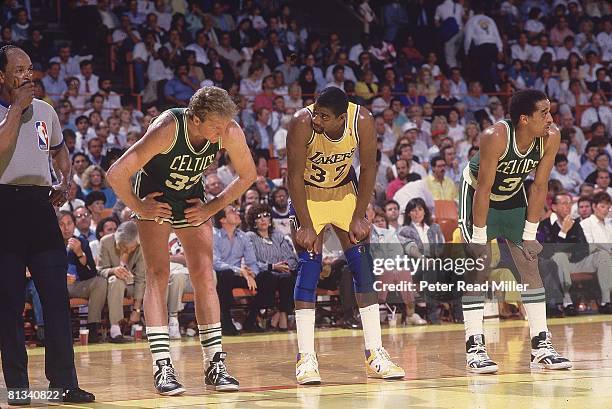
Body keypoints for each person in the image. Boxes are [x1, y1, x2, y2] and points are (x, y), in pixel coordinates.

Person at [107, 86, 256, 395]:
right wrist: (138, 206)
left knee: (205, 274)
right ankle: (162, 365)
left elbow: (248, 175)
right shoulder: (167, 128)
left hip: (191, 197)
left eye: (224, 126)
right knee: (158, 275)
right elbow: (116, 173)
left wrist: (212, 207)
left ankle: (215, 363)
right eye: (215, 127)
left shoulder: (227, 128)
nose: (221, 134)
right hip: (156, 197)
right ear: (196, 118)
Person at [286, 86, 404, 385]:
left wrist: (359, 214)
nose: (317, 119)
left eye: (324, 117)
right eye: (316, 111)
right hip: (308, 194)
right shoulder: (302, 123)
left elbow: (369, 168)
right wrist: (305, 224)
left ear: (341, 117)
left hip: (343, 192)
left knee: (364, 269)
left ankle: (375, 353)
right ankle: (306, 357)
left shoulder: (361, 120)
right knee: (310, 267)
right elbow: (293, 177)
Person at [0, 45, 94, 404]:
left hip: (40, 207)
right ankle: (19, 387)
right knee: (8, 303)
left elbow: (60, 149)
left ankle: (64, 383)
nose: (28, 75)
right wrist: (16, 109)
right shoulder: (15, 111)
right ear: (2, 76)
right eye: (19, 70)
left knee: (56, 298)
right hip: (4, 205)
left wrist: (65, 178)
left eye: (30, 68)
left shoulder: (46, 112)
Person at [458, 89, 572, 373]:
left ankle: (540, 344)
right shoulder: (495, 136)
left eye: (550, 111)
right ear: (524, 119)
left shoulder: (551, 136)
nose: (550, 118)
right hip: (478, 196)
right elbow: (483, 188)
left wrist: (530, 234)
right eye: (543, 113)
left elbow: (539, 186)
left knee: (529, 263)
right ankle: (475, 345)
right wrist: (480, 236)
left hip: (512, 197)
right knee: (479, 264)